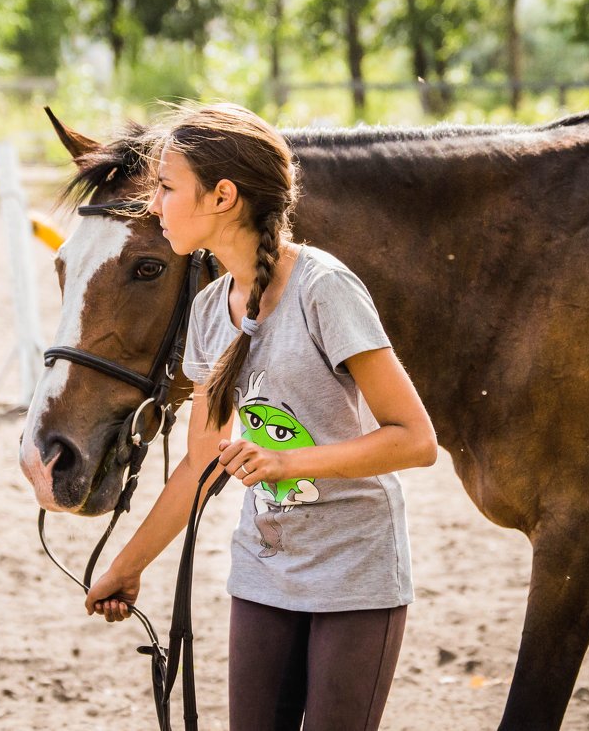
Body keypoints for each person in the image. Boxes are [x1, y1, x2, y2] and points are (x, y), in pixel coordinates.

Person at [84, 102, 438, 731]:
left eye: (167, 188)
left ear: (223, 196)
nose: (155, 205)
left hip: (356, 571)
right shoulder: (208, 311)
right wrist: (127, 567)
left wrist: (287, 460)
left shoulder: (325, 288)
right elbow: (200, 463)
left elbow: (415, 440)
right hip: (263, 569)